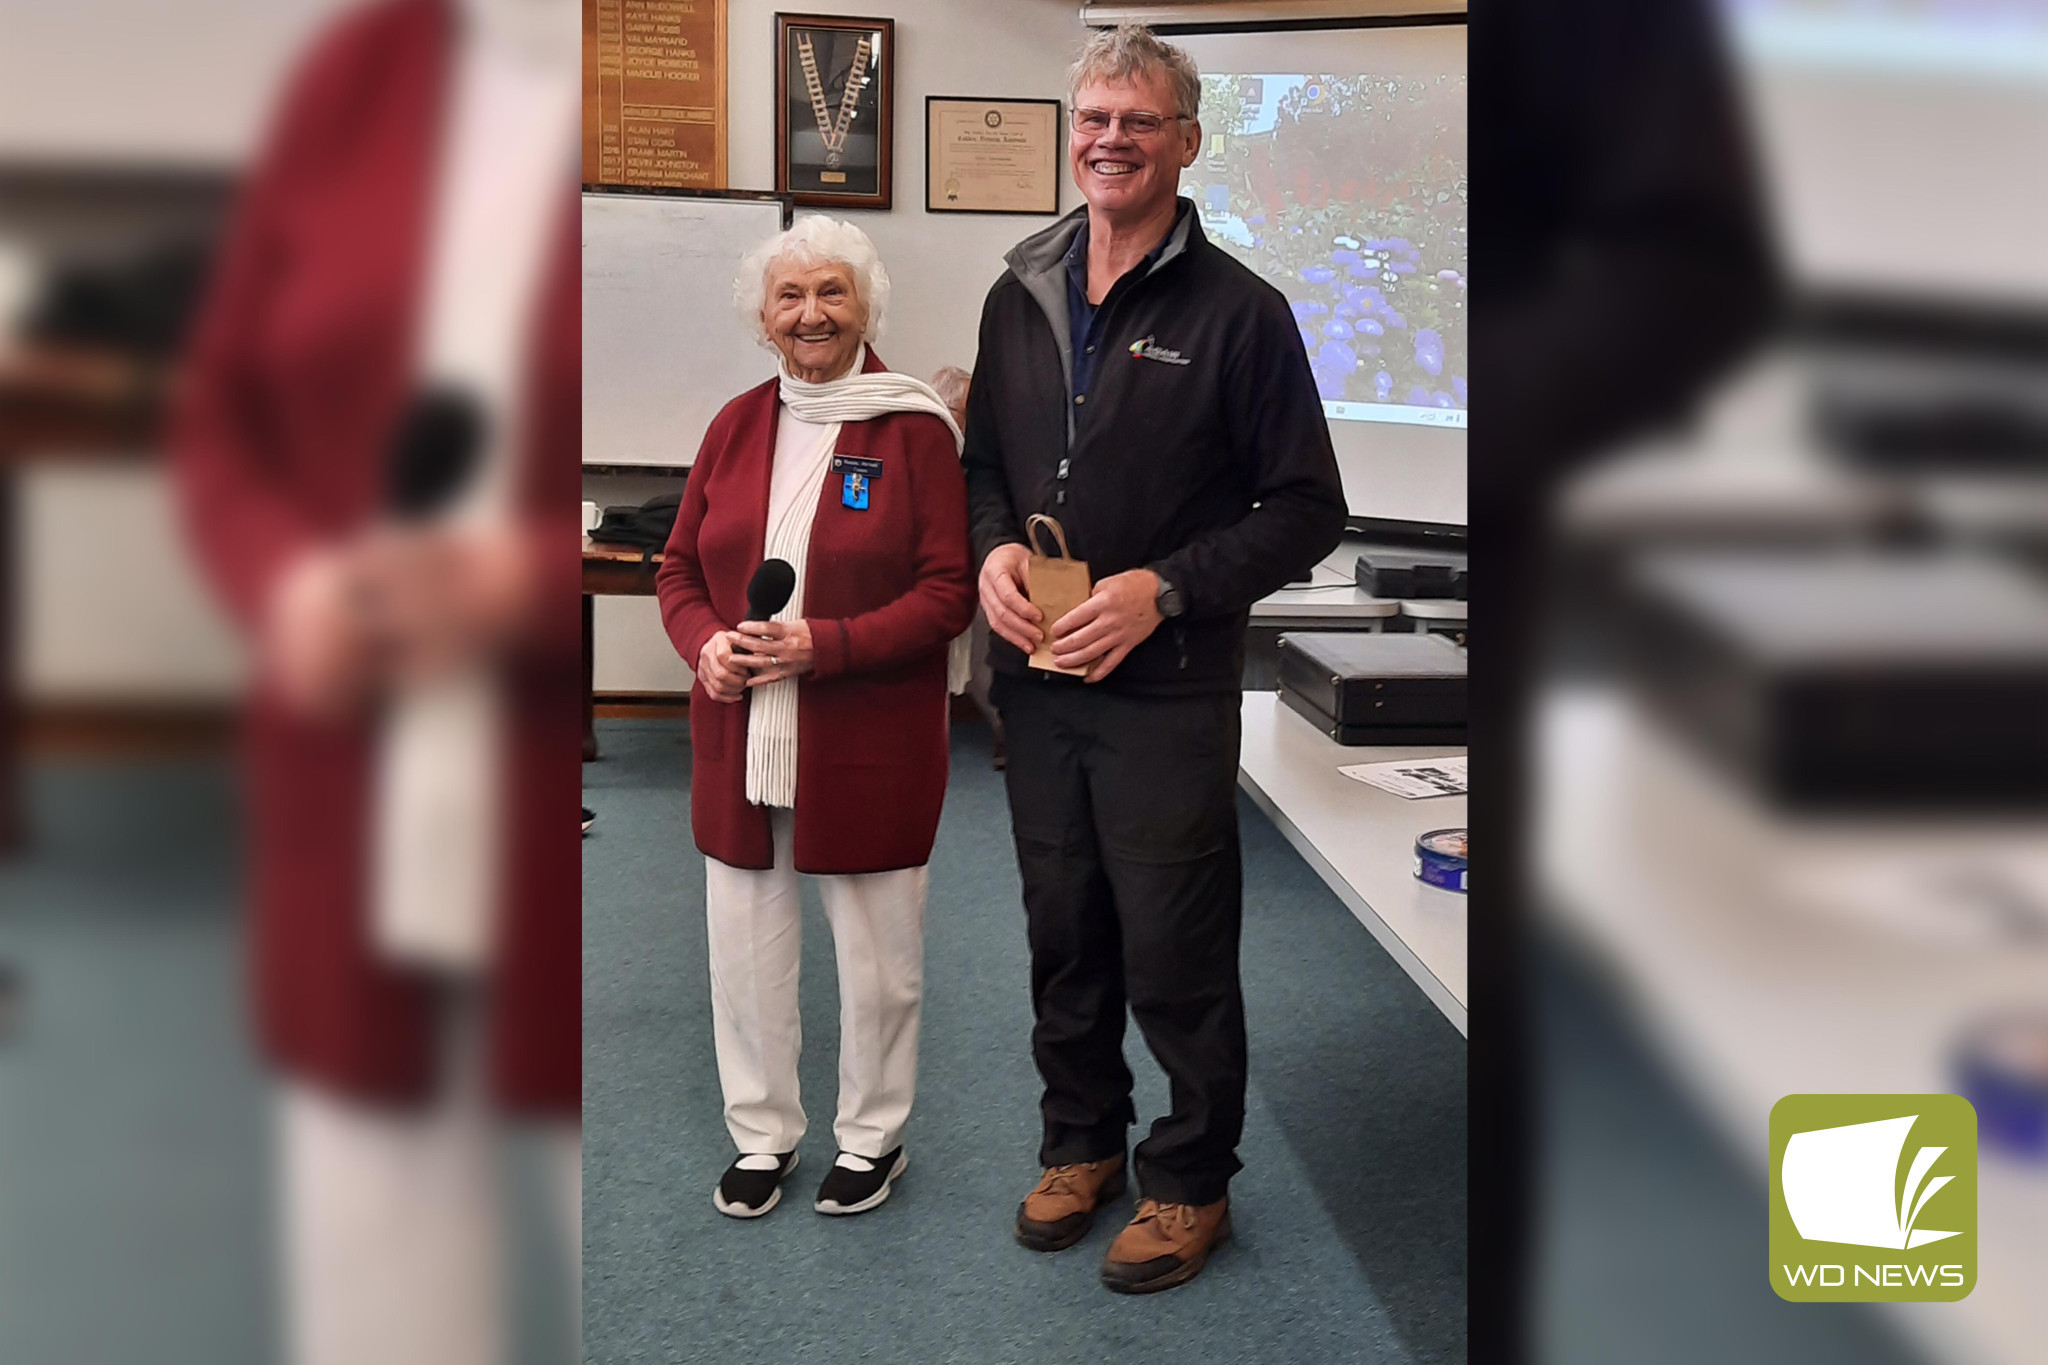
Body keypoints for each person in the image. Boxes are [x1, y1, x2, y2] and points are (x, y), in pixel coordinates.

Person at [171, 0, 583, 1360]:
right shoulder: (360, 71)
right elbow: (218, 410)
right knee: (371, 1235)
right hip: (348, 767)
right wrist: (290, 582)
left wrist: (522, 574)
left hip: (534, 790)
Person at [964, 24, 1347, 1294]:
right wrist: (985, 562)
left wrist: (1162, 589)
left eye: (1138, 120)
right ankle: (1079, 1142)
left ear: (1185, 142)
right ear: (1068, 134)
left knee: (1175, 945)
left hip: (1166, 689)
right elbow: (981, 477)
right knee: (1062, 926)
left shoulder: (1243, 315)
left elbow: (1305, 509)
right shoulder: (1016, 286)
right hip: (1037, 680)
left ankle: (1187, 1179)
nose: (1109, 139)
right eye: (1092, 118)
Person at [656, 217, 974, 1219]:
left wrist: (820, 645)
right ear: (763, 317)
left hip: (866, 734)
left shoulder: (914, 429)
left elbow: (944, 594)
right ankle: (761, 1135)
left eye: (831, 293)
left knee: (877, 961)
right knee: (743, 951)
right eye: (790, 296)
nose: (810, 314)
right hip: (739, 732)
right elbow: (676, 571)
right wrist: (706, 642)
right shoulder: (735, 425)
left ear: (864, 307)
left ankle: (872, 1137)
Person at [930, 364, 1006, 769]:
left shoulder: (982, 453)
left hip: (980, 568)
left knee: (985, 647)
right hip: (929, 576)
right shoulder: (926, 446)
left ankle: (1006, 730)